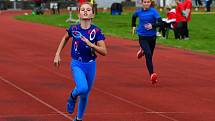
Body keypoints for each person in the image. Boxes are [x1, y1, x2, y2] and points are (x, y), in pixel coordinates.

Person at [53, 2, 107, 121]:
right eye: (83, 10)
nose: (86, 11)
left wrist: (91, 45)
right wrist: (57, 54)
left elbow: (104, 51)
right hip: (77, 64)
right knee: (82, 88)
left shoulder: (96, 31)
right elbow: (65, 38)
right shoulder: (74, 28)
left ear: (92, 14)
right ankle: (72, 97)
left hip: (91, 65)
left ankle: (78, 118)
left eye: (88, 9)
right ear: (79, 14)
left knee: (85, 95)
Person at [132, 0, 163, 84]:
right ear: (141, 3)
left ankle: (142, 51)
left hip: (152, 37)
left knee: (150, 55)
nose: (146, 4)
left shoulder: (154, 12)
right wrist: (133, 25)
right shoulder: (138, 12)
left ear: (150, 3)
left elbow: (161, 23)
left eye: (148, 2)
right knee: (148, 54)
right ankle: (152, 74)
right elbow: (133, 17)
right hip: (142, 36)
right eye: (144, 2)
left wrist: (152, 26)